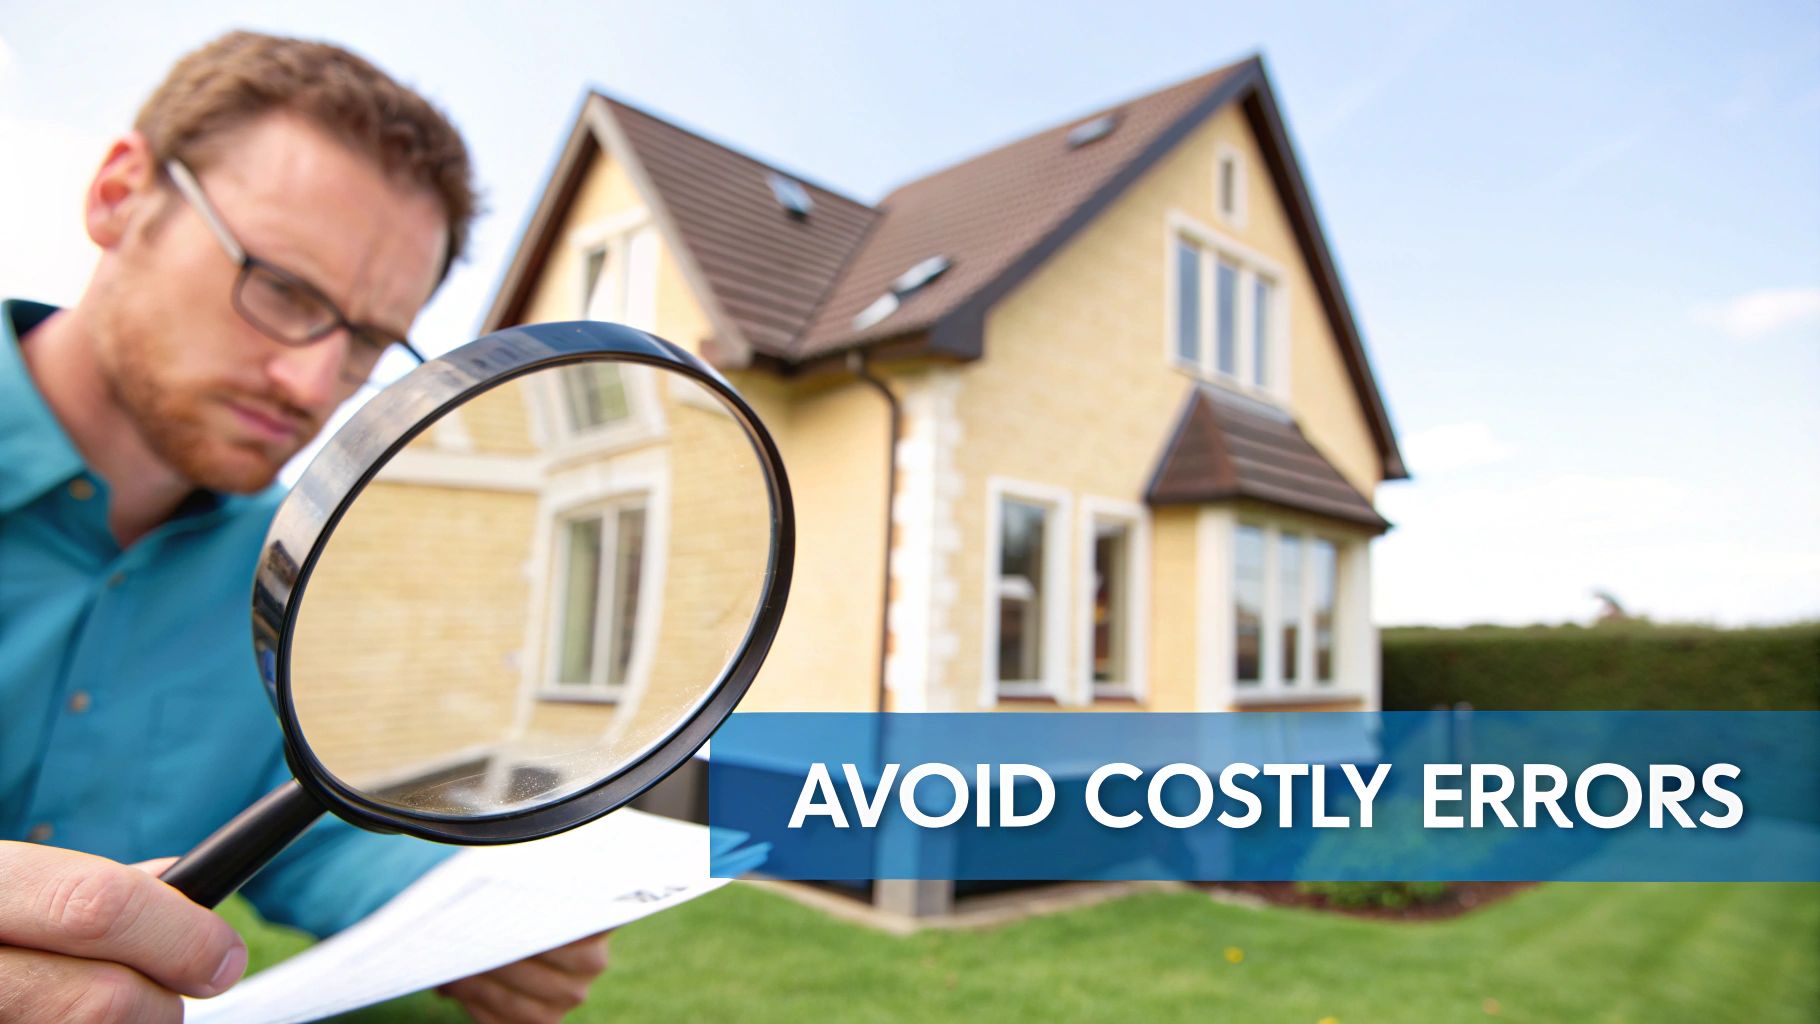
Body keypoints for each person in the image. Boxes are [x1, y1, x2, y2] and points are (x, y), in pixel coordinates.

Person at [0, 31, 607, 1022]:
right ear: (120, 196)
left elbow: (303, 828)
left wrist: (469, 910)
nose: (314, 385)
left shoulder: (290, 580)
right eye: (283, 288)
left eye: (367, 339)